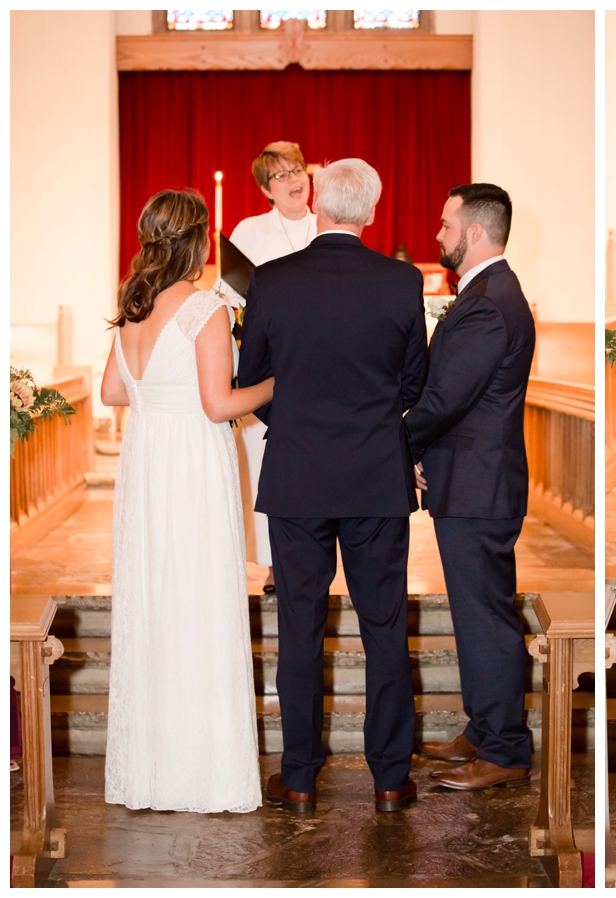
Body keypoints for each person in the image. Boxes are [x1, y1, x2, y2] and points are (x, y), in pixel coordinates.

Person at [238, 159, 428, 814]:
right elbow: (414, 382)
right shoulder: (402, 281)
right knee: (385, 626)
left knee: (299, 626)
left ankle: (298, 778)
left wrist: (293, 423)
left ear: (317, 204)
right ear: (371, 212)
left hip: (296, 474)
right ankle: (389, 779)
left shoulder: (272, 280)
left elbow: (254, 376)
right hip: (375, 475)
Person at [100, 189, 274, 813]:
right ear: (198, 241)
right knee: (199, 601)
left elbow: (112, 393)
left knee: (154, 602)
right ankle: (203, 773)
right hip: (194, 466)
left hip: (147, 464)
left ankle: (151, 772)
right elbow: (220, 405)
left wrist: (158, 394)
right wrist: (281, 379)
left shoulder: (133, 306)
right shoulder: (204, 309)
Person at [405, 183, 537, 791]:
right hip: (474, 481)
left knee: (485, 617)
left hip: (479, 486)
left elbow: (444, 398)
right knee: (475, 611)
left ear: (475, 233)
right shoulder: (488, 294)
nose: (438, 235)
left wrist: (397, 446)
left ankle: (506, 748)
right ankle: (484, 730)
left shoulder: (488, 302)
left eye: (445, 224)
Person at [219, 141, 318, 595]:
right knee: (269, 466)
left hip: (322, 365)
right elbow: (228, 296)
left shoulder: (328, 225)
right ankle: (277, 565)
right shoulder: (250, 231)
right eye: (281, 175)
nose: (295, 179)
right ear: (266, 190)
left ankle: (320, 560)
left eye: (298, 169)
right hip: (268, 368)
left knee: (319, 465)